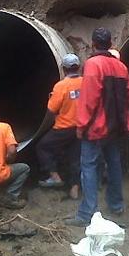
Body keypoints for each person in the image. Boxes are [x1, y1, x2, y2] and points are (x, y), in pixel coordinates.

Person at [65, 28, 129, 227]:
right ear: (110, 43)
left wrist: (81, 125)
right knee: (114, 165)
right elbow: (127, 95)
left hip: (96, 128)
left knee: (89, 166)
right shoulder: (121, 67)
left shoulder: (93, 65)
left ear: (93, 44)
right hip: (116, 127)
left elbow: (89, 98)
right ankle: (117, 205)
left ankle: (87, 213)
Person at [36, 53, 83, 199]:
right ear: (79, 67)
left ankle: (55, 177)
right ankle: (74, 188)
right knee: (75, 157)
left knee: (42, 147)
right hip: (81, 127)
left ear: (63, 69)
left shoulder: (61, 86)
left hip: (63, 128)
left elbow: (51, 110)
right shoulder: (86, 83)